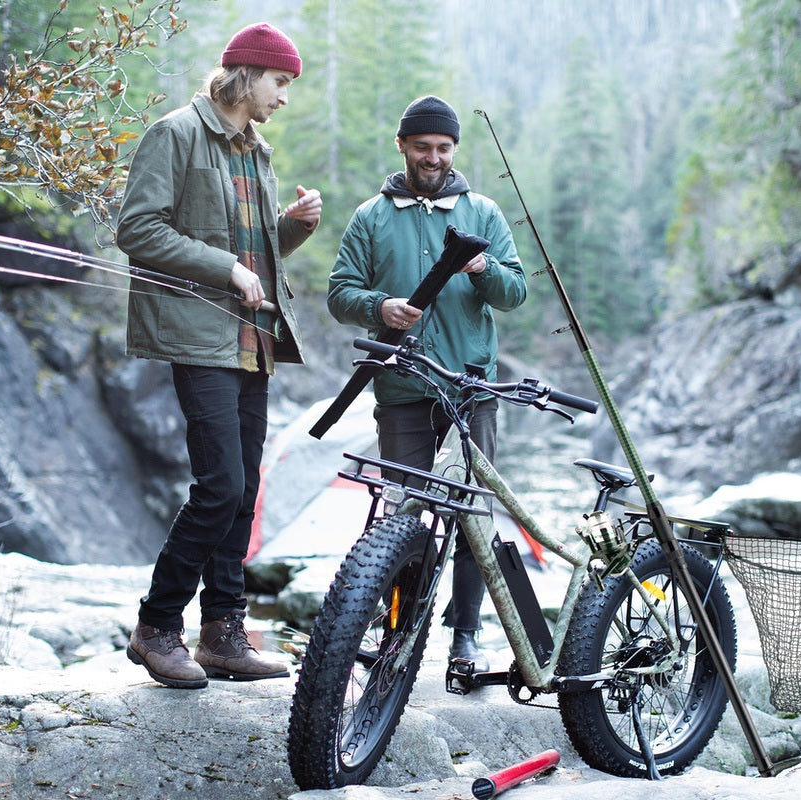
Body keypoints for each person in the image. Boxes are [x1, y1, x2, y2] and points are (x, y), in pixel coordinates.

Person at [117, 22, 321, 689]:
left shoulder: (255, 149)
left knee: (243, 493)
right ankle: (155, 626)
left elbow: (255, 252)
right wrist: (226, 267)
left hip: (252, 338)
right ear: (246, 75)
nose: (284, 97)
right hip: (198, 335)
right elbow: (138, 230)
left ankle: (223, 633)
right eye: (280, 82)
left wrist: (291, 229)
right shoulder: (175, 134)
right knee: (220, 486)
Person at [327, 95, 526, 671]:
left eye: (443, 148)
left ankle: (465, 637)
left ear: (454, 150)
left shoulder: (483, 214)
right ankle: (397, 633)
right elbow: (340, 294)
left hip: (471, 389)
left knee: (472, 511)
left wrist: (484, 268)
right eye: (422, 148)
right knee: (401, 513)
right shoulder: (371, 217)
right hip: (401, 385)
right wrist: (380, 306)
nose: (433, 158)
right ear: (402, 147)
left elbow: (515, 294)